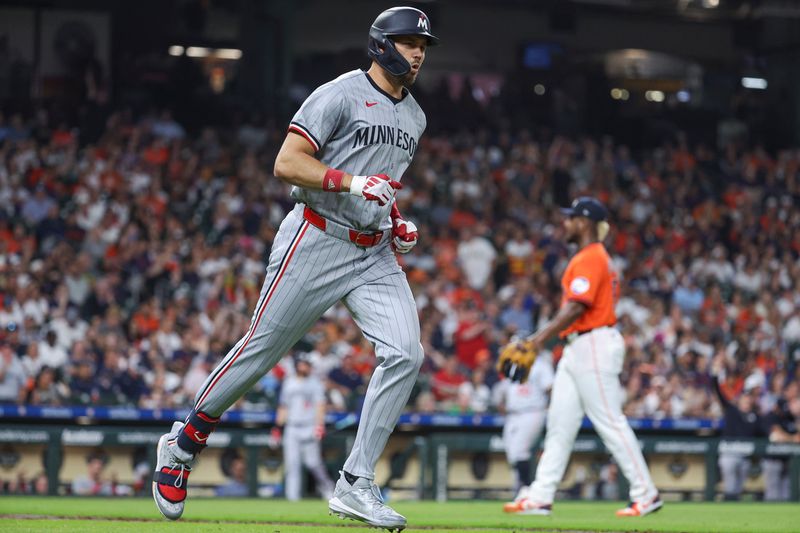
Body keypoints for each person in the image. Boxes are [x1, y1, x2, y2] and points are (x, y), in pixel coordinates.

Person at [152, 6, 437, 531]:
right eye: (407, 42)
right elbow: (287, 162)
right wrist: (353, 186)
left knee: (406, 353)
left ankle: (355, 483)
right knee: (261, 350)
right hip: (317, 236)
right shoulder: (339, 93)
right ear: (380, 44)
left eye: (421, 45)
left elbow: (381, 183)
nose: (416, 53)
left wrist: (396, 219)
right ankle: (182, 445)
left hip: (372, 251)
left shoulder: (415, 117)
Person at [502, 197, 661, 517]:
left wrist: (536, 341)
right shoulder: (590, 257)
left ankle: (646, 493)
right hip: (578, 346)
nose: (566, 223)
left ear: (585, 223)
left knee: (610, 422)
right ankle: (541, 495)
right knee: (559, 425)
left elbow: (577, 306)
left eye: (571, 218)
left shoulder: (591, 256)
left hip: (594, 344)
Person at [493, 350, 554, 500]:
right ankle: (520, 490)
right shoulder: (513, 365)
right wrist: (500, 403)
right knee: (512, 453)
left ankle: (525, 490)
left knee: (519, 451)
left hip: (532, 411)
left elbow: (550, 388)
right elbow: (503, 389)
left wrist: (552, 408)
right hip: (512, 414)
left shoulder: (540, 365)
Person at [274, 353, 334, 501]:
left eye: (308, 364)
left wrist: (320, 426)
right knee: (292, 464)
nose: (306, 367)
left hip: (309, 425)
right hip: (292, 427)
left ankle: (328, 489)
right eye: (304, 364)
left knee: (313, 463)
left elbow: (320, 406)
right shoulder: (289, 382)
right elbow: (283, 407)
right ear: (297, 365)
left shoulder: (315, 383)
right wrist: (277, 428)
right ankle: (292, 498)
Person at [710, 355, 767, 500]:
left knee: (739, 488)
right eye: (745, 397)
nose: (747, 400)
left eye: (749, 398)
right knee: (730, 486)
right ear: (740, 399)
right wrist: (715, 373)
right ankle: (728, 505)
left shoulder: (755, 416)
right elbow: (718, 391)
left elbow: (763, 434)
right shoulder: (732, 410)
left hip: (745, 455)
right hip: (729, 452)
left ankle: (734, 507)